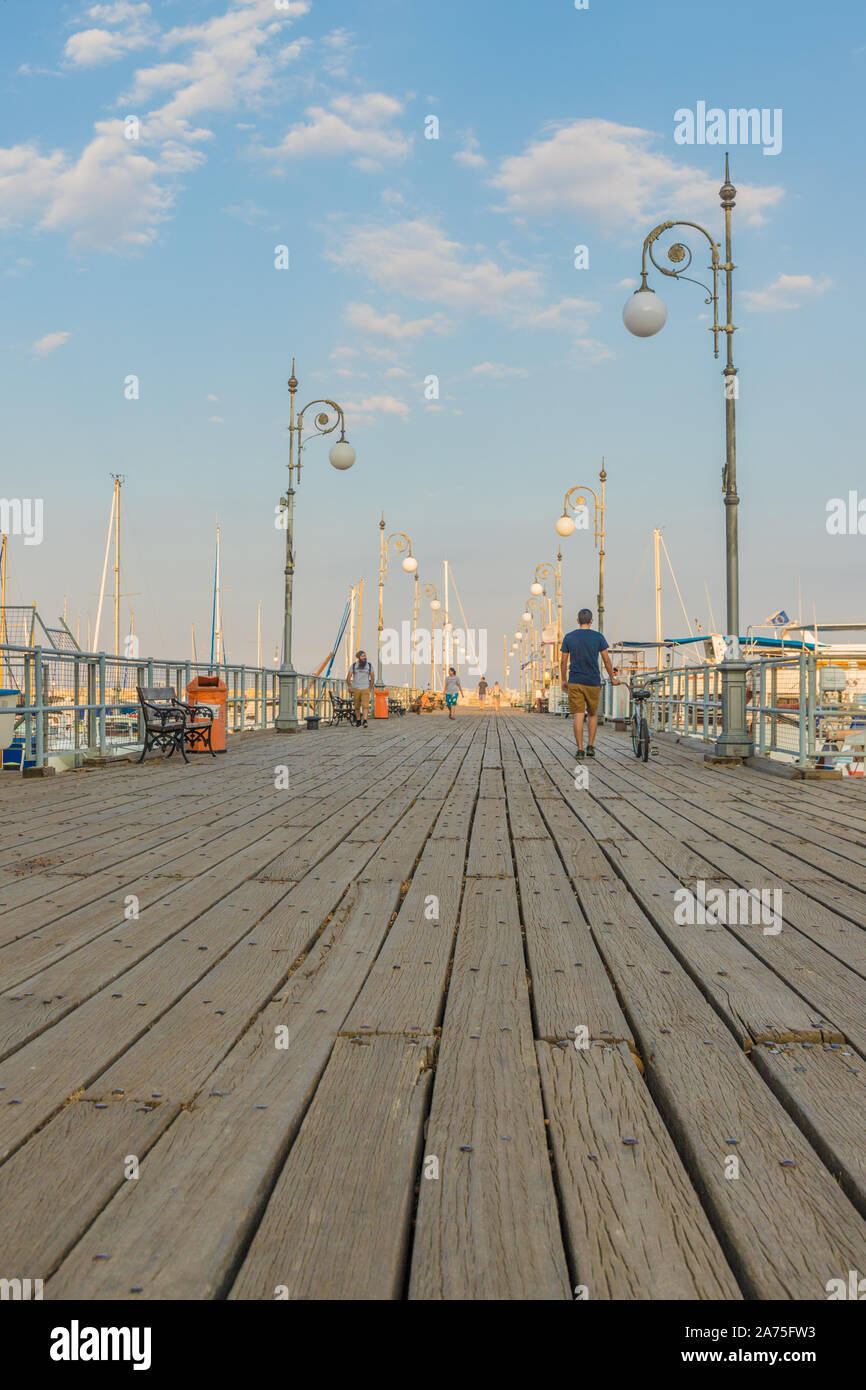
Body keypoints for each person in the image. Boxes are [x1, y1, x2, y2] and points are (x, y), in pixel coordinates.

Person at [560, 608, 619, 759]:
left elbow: (563, 661)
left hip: (575, 681)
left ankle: (580, 749)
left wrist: (564, 680)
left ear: (578, 620)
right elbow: (606, 660)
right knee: (592, 714)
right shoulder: (598, 637)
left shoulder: (569, 637)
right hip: (593, 681)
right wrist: (612, 678)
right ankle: (590, 746)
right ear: (591, 621)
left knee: (578, 715)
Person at [347, 649, 374, 727]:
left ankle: (365, 720)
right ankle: (358, 720)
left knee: (365, 705)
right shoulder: (354, 665)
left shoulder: (369, 665)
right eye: (362, 656)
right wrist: (349, 686)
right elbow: (348, 677)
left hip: (365, 688)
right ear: (359, 657)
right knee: (357, 706)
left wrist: (370, 688)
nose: (364, 657)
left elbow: (372, 677)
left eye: (365, 656)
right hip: (356, 688)